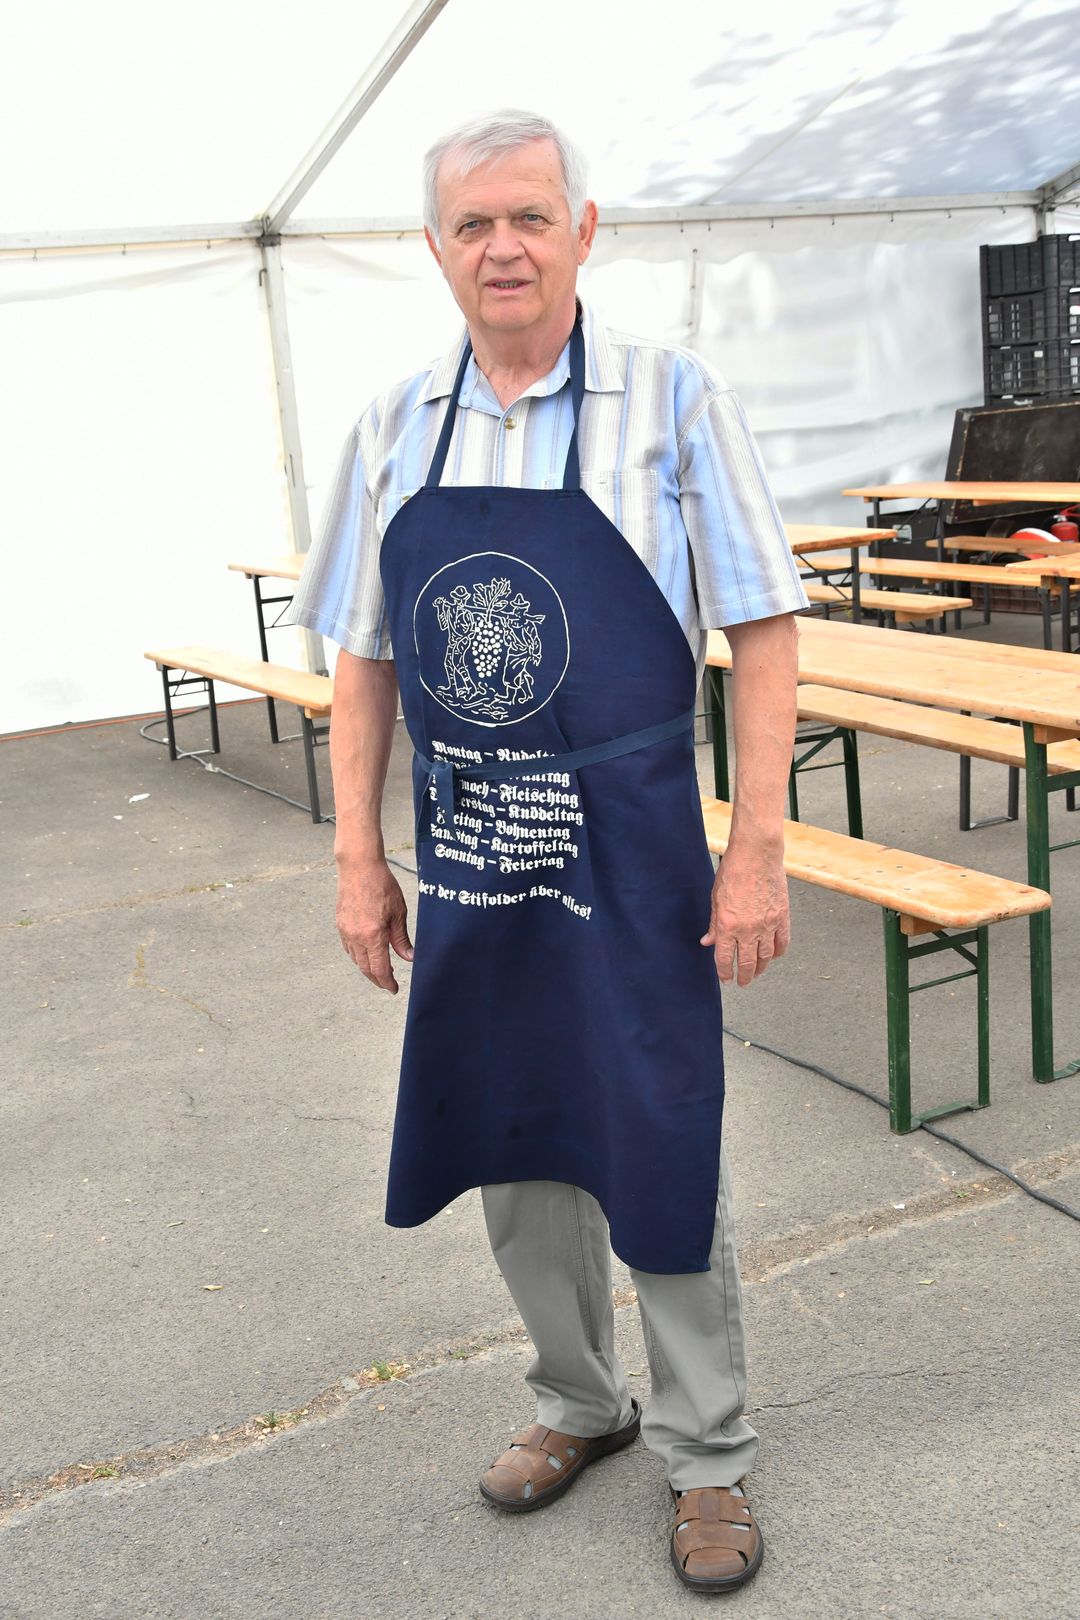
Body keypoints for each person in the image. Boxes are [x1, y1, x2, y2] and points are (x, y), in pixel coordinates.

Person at [287, 109, 808, 1595]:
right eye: (474, 224)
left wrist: (756, 850)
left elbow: (765, 629)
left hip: (633, 842)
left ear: (584, 231)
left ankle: (707, 1452)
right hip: (476, 843)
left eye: (530, 217)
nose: (503, 247)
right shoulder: (396, 423)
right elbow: (363, 659)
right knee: (510, 1130)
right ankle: (580, 1400)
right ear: (436, 248)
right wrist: (357, 858)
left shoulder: (676, 401)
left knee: (657, 1131)